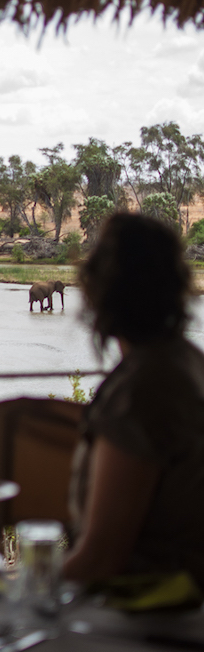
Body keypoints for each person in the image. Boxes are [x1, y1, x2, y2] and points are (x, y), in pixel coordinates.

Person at [63, 212, 204, 587]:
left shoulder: (139, 393)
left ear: (95, 292)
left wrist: (6, 591)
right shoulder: (188, 362)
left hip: (150, 609)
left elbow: (100, 561)